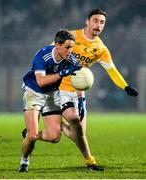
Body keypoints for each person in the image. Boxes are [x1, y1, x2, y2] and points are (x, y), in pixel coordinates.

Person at [59, 8, 138, 171]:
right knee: (73, 122)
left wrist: (125, 86)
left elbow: (112, 70)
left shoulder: (101, 49)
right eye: (95, 20)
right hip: (59, 88)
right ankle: (90, 162)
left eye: (102, 22)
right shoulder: (71, 36)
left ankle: (55, 121)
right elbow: (50, 52)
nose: (98, 25)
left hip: (78, 92)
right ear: (87, 22)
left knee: (78, 135)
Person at [18, 29, 81, 172]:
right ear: (57, 45)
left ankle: (28, 135)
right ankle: (24, 160)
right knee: (32, 135)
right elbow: (40, 82)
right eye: (67, 47)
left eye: (72, 47)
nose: (70, 50)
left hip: (52, 94)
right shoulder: (42, 56)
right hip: (33, 91)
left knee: (54, 137)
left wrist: (81, 98)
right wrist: (61, 73)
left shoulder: (71, 59)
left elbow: (80, 80)